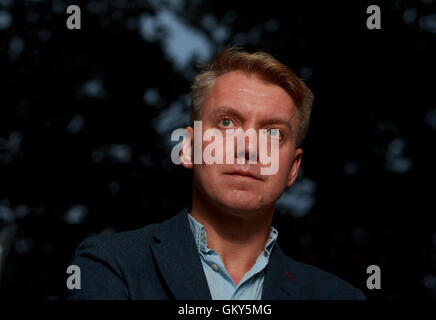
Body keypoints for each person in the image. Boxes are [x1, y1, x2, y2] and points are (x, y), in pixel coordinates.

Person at [67, 47, 366, 300]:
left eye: (273, 132)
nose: (248, 148)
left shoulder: (339, 296)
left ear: (292, 168)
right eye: (226, 123)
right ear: (188, 148)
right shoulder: (112, 265)